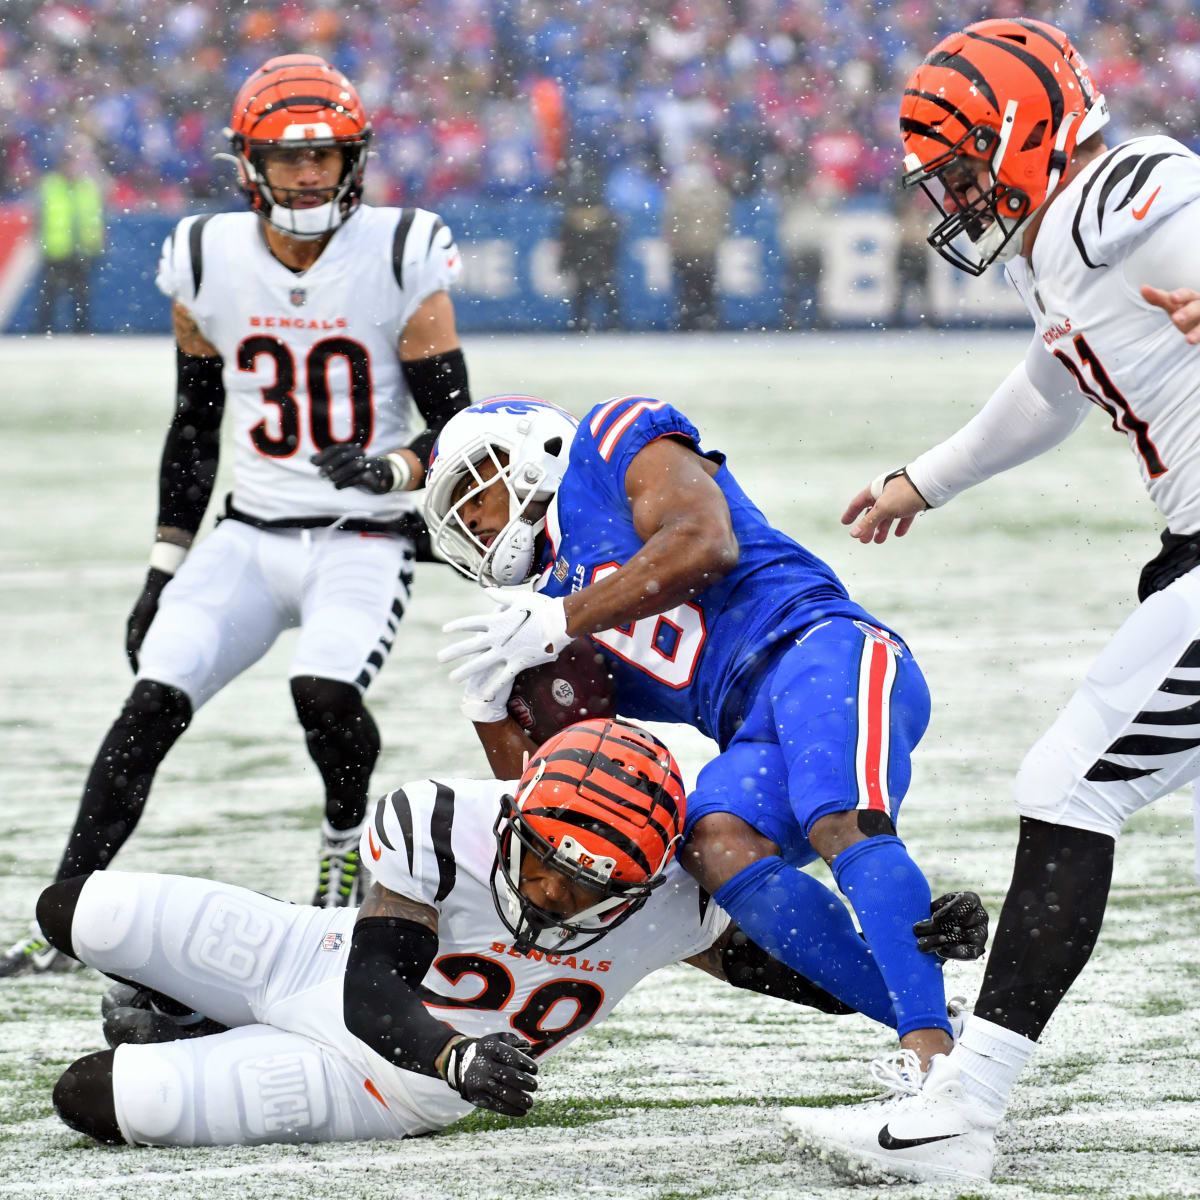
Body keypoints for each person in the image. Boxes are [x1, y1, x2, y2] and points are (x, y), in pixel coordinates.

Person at [780, 17, 1200, 1185]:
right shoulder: (1061, 243)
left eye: (966, 166)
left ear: (1022, 132)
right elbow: (1055, 383)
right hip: (1189, 546)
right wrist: (931, 478)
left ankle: (964, 1108)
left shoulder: (1130, 186)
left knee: (1069, 784)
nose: (958, 195)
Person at [1, 53, 471, 976]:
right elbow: (195, 427)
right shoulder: (208, 257)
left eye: (325, 156)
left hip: (359, 538)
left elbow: (456, 427)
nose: (307, 174)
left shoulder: (399, 251)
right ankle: (63, 917)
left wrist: (390, 468)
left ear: (355, 160)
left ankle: (346, 845)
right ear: (249, 163)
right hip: (248, 535)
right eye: (288, 158)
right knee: (148, 707)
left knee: (324, 692)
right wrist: (162, 569)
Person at [38, 718, 970, 1146]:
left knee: (94, 1098)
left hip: (383, 1085)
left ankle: (189, 1026)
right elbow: (373, 989)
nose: (553, 891)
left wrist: (919, 956)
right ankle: (200, 1018)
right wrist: (457, 1056)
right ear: (515, 813)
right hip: (329, 965)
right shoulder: (440, 821)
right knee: (77, 908)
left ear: (645, 876)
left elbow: (803, 968)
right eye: (540, 860)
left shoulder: (678, 902)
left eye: (585, 880)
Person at [423, 396, 989, 1085]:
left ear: (526, 449)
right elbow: (560, 796)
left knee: (839, 815)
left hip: (820, 644)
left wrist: (563, 618)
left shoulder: (608, 443)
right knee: (713, 845)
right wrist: (491, 708)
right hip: (747, 725)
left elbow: (703, 542)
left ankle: (933, 1064)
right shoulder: (536, 618)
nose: (473, 519)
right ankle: (944, 1033)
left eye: (469, 488)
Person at [34, 144, 105, 334]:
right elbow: (39, 216)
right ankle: (44, 330)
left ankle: (80, 330)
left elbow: (94, 217)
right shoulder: (51, 186)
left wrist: (95, 243)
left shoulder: (86, 187)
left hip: (80, 249)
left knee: (81, 295)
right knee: (50, 295)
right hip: (56, 248)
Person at [662, 154, 731, 331]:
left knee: (687, 290)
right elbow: (725, 220)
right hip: (707, 248)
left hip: (685, 249)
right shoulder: (716, 195)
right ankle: (709, 321)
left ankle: (689, 322)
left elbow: (670, 222)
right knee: (707, 290)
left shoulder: (678, 196)